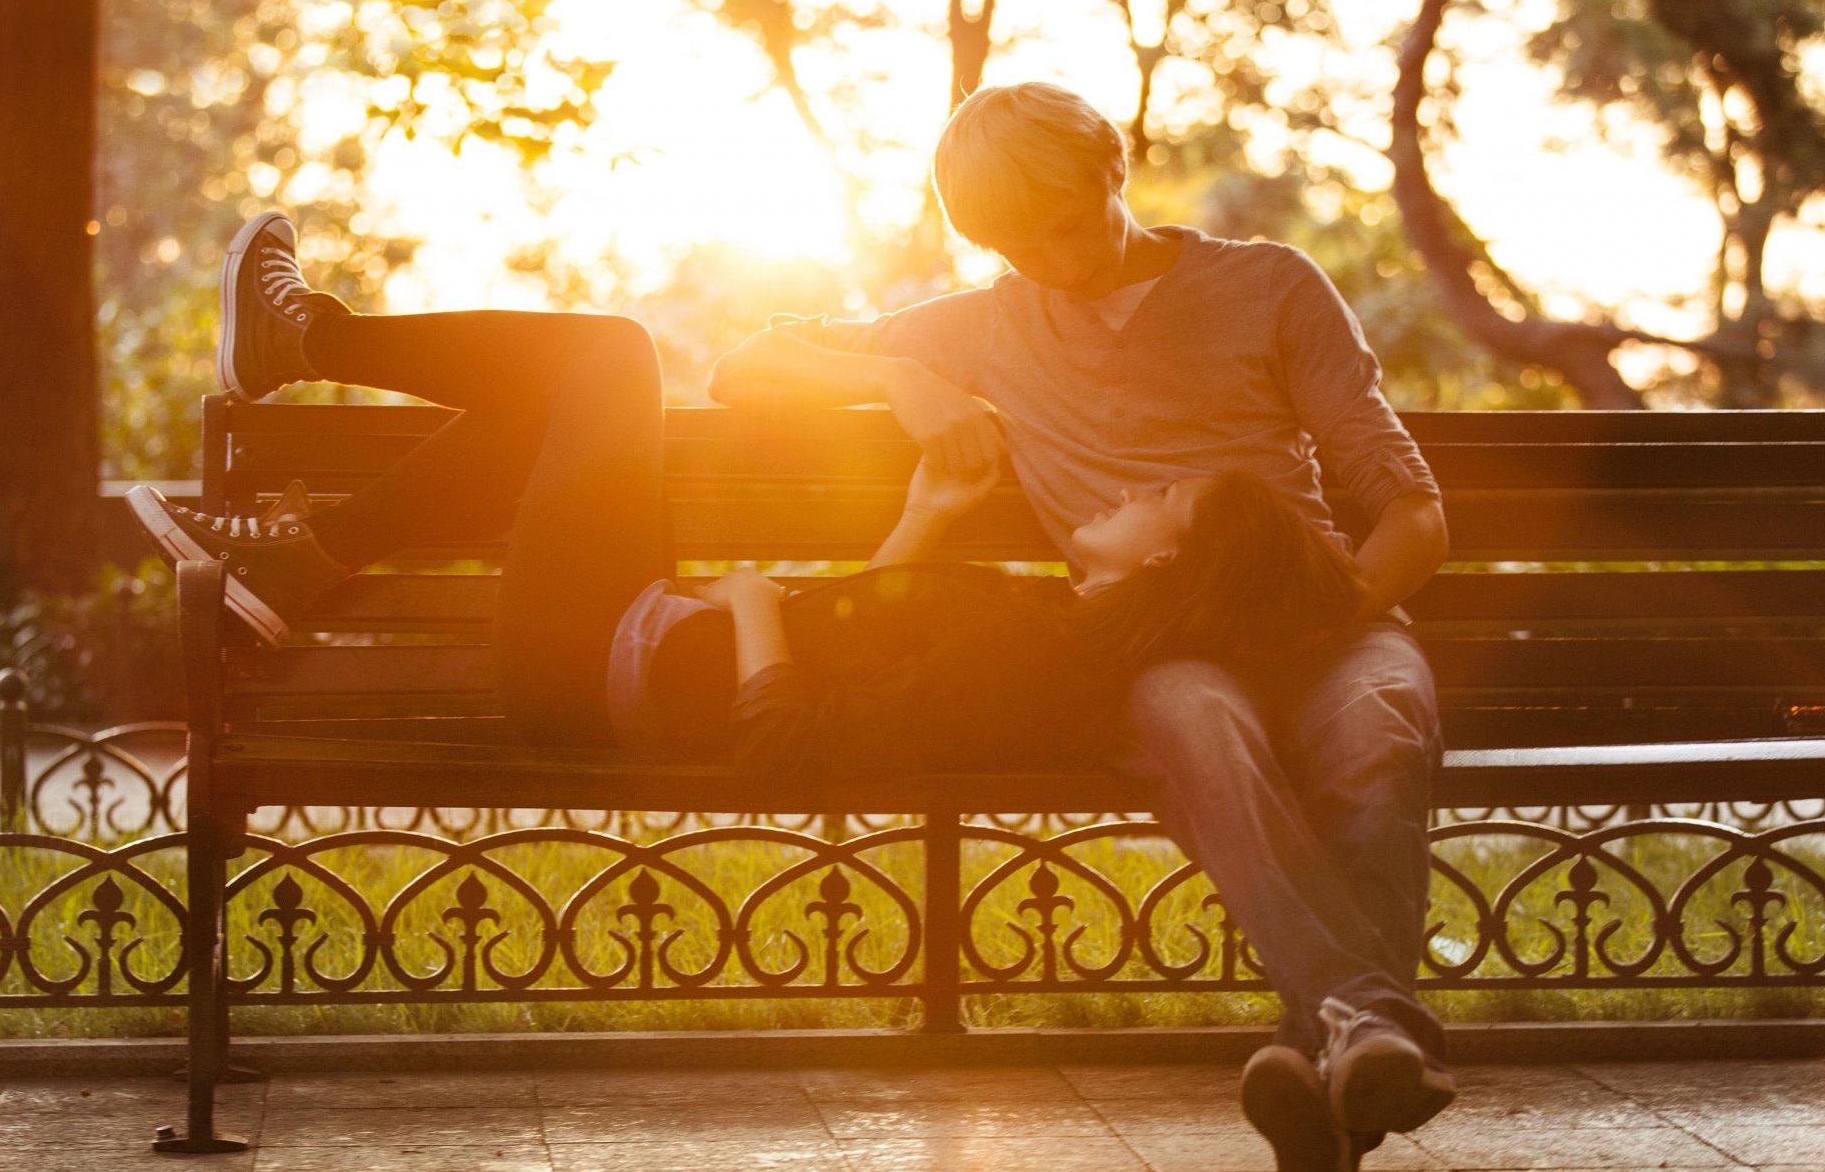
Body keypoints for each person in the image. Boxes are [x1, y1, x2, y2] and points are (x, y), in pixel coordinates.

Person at [708, 80, 1453, 1172]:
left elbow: (1415, 513)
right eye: (1013, 244)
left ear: (1115, 166)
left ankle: (1336, 1068)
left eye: (1061, 223)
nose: (1049, 262)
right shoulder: (981, 322)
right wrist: (899, 375)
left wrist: (1321, 614)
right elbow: (744, 365)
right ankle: (1368, 1035)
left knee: (1375, 729)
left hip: (1331, 619)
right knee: (1198, 717)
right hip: (1150, 648)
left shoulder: (1268, 286)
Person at [127, 211, 1369, 784]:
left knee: (609, 359)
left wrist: (764, 623)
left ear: (1164, 565)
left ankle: (312, 348)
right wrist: (929, 519)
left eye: (1164, 500)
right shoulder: (1049, 634)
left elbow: (802, 753)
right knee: (568, 396)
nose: (1139, 489)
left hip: (591, 670)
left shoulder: (1036, 661)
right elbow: (876, 645)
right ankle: (301, 557)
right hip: (639, 632)